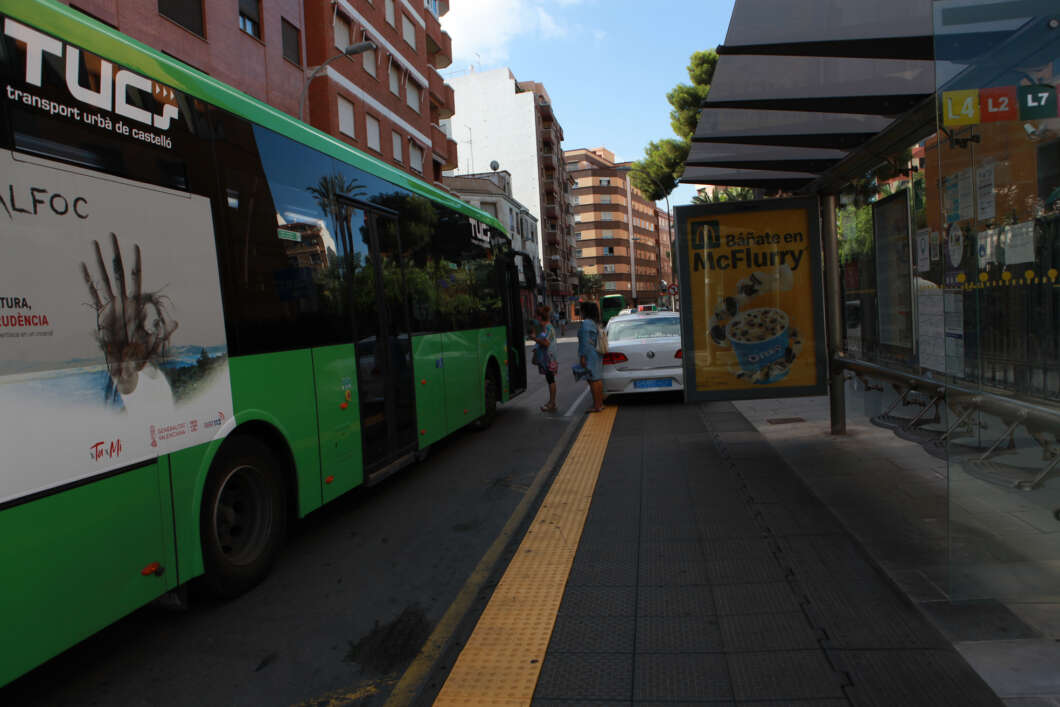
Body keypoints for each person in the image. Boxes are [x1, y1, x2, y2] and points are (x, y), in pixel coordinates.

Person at [577, 300, 605, 413]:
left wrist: (583, 357)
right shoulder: (595, 322)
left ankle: (596, 406)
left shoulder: (586, 324)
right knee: (597, 379)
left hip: (589, 354)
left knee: (592, 380)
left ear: (585, 311)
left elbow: (585, 342)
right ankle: (600, 404)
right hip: (596, 353)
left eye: (581, 310)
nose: (580, 312)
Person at [533, 305, 558, 412]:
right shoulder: (547, 327)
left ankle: (552, 403)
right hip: (549, 357)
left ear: (539, 317)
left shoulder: (547, 327)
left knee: (550, 379)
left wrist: (535, 339)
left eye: (536, 316)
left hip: (549, 358)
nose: (535, 318)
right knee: (550, 379)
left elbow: (546, 343)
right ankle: (551, 402)